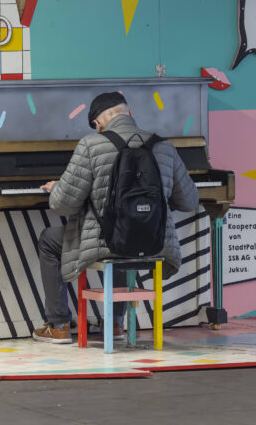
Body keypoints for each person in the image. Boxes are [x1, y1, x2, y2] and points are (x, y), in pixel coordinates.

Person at [32, 92, 199, 344]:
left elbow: (62, 204)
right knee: (129, 234)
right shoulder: (163, 146)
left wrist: (55, 187)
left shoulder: (91, 145)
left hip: (105, 243)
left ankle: (59, 325)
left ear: (97, 124)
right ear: (130, 114)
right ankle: (115, 323)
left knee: (49, 239)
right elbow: (189, 201)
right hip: (155, 243)